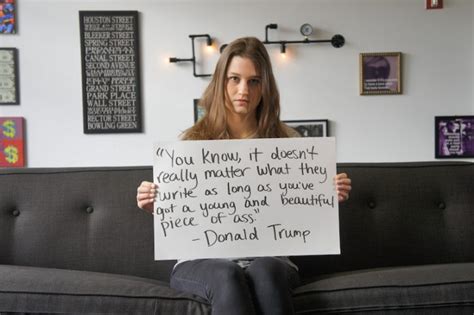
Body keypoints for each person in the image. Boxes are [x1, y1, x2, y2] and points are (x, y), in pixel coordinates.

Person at [136, 37, 352, 315]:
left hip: (270, 259)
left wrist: (328, 196)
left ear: (265, 86)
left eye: (254, 81)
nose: (243, 90)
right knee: (227, 274)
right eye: (234, 79)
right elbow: (183, 214)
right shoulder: (192, 142)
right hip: (201, 260)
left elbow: (302, 213)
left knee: (266, 270)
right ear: (220, 82)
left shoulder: (288, 141)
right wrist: (156, 207)